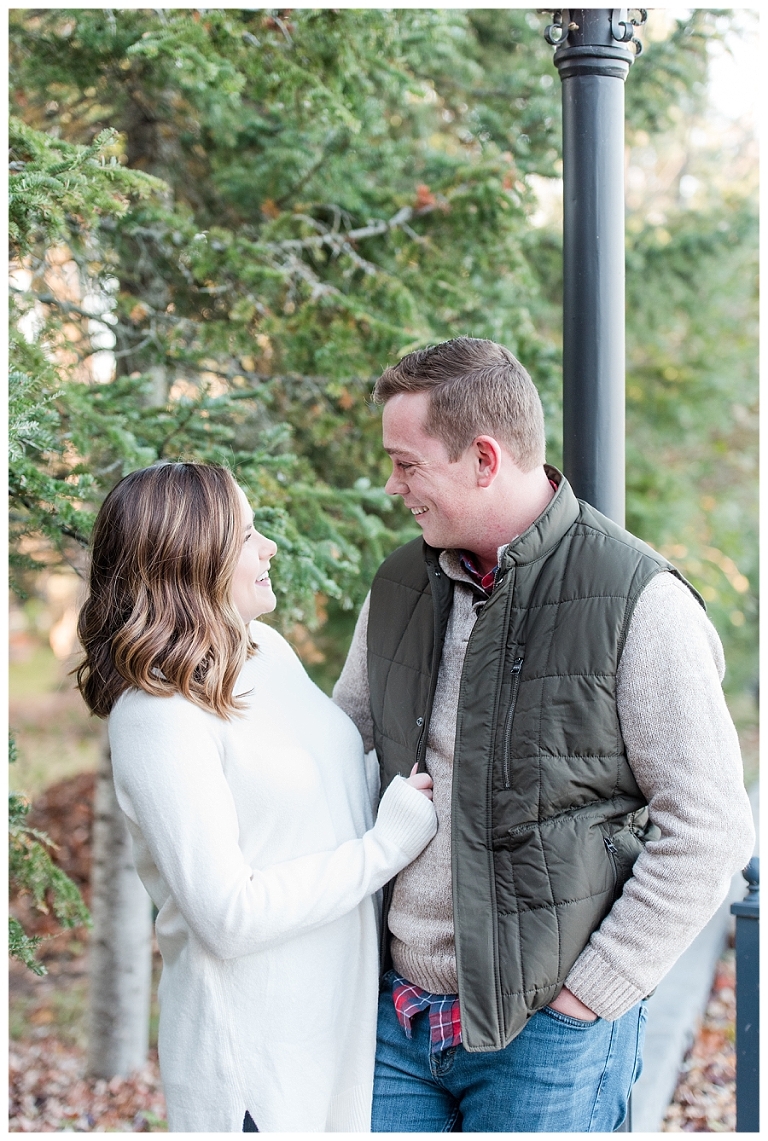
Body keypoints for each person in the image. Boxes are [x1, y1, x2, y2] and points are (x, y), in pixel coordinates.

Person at [333, 336, 755, 1133]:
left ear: (483, 458)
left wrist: (589, 994)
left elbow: (711, 828)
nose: (392, 486)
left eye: (406, 463)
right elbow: (338, 756)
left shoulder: (640, 600)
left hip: (549, 1039)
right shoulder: (396, 588)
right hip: (395, 1022)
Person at [76, 461, 437, 1133]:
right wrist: (385, 847)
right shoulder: (157, 714)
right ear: (190, 558)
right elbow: (228, 914)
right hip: (256, 1071)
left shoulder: (263, 648)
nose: (268, 547)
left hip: (339, 1035)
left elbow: (316, 801)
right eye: (246, 535)